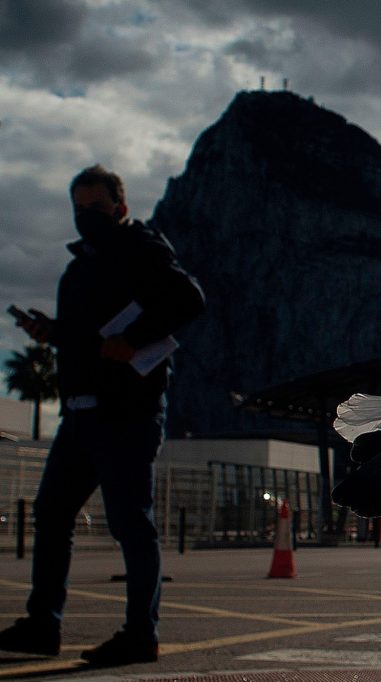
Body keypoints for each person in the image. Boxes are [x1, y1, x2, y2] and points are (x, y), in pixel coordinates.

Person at [0, 166, 204, 666]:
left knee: (131, 522)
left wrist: (133, 338)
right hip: (78, 413)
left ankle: (140, 634)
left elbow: (189, 299)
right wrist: (52, 333)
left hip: (127, 412)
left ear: (121, 207)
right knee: (51, 514)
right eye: (79, 209)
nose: (86, 217)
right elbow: (85, 338)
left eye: (96, 207)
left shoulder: (142, 249)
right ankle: (42, 624)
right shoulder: (77, 270)